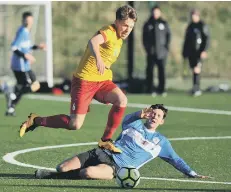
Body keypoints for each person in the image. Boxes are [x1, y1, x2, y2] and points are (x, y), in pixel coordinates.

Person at [19, 5, 138, 153]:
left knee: (122, 100)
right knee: (74, 124)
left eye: (131, 27)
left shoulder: (120, 38)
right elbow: (93, 42)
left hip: (102, 81)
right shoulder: (109, 31)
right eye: (125, 25)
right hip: (85, 81)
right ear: (116, 21)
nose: (127, 29)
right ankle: (35, 120)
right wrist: (99, 59)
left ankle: (105, 140)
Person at [35, 104, 210, 180]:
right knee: (63, 167)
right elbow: (126, 117)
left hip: (116, 167)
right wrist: (138, 114)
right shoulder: (133, 123)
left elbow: (176, 160)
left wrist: (192, 173)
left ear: (162, 121)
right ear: (147, 113)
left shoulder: (161, 142)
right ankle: (58, 173)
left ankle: (49, 176)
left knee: (87, 173)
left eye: (158, 116)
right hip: (101, 152)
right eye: (153, 113)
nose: (154, 117)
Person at [5, 11, 46, 116]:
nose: (29, 23)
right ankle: (11, 93)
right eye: (27, 21)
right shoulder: (23, 31)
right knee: (29, 85)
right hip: (20, 66)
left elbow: (27, 46)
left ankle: (11, 106)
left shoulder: (26, 32)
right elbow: (14, 47)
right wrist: (26, 56)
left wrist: (38, 47)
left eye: (30, 21)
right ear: (23, 20)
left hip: (24, 65)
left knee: (29, 86)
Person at [143, 5, 171, 97]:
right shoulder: (148, 23)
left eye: (157, 12)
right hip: (151, 53)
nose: (155, 14)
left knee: (161, 71)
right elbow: (144, 38)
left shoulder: (164, 23)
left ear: (160, 13)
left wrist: (166, 48)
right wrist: (148, 49)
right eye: (154, 12)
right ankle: (150, 89)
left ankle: (161, 89)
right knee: (150, 71)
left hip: (162, 53)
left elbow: (168, 36)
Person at [182, 9, 210, 97]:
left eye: (195, 15)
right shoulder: (190, 26)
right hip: (191, 52)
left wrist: (204, 50)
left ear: (198, 16)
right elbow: (187, 40)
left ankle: (197, 88)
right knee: (193, 69)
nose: (193, 17)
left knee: (197, 69)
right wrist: (184, 51)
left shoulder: (202, 25)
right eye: (192, 15)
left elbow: (206, 39)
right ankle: (195, 87)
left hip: (199, 52)